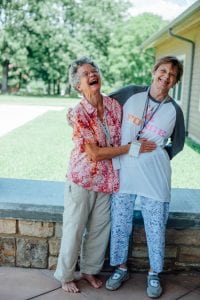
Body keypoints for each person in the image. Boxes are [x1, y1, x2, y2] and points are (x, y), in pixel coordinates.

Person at [54, 57, 156, 293]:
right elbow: (94, 154)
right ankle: (66, 275)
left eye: (94, 71)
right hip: (82, 179)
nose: (92, 75)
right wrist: (130, 147)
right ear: (77, 85)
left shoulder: (114, 105)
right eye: (85, 74)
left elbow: (136, 92)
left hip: (108, 180)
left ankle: (89, 270)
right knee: (74, 227)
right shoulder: (79, 113)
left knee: (100, 230)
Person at [104, 56, 185, 298]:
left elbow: (178, 143)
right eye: (162, 70)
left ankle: (153, 273)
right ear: (154, 71)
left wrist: (158, 156)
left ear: (176, 81)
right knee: (119, 224)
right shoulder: (131, 93)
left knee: (155, 225)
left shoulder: (174, 110)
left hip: (155, 177)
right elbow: (102, 105)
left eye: (172, 74)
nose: (166, 76)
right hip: (125, 171)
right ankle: (120, 268)